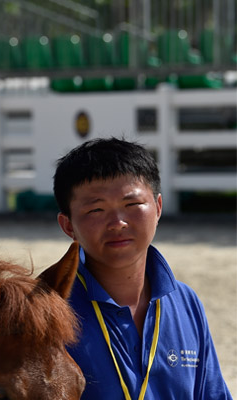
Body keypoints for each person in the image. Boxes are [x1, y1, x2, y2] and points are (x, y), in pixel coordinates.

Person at [53, 137, 232, 399]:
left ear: (158, 208)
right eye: (96, 210)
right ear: (68, 225)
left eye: (132, 205)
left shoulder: (185, 303)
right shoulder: (46, 310)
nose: (118, 222)